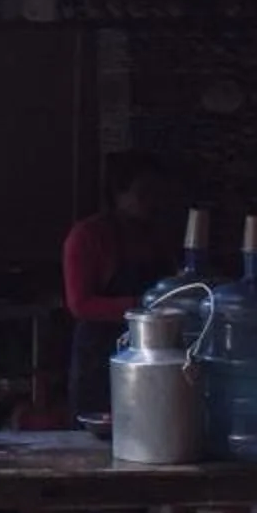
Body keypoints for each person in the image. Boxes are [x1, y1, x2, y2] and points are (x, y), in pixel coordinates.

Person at [61, 150, 181, 423]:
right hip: (99, 358)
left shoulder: (156, 235)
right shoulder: (87, 236)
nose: (153, 202)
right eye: (143, 192)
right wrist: (143, 306)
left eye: (157, 193)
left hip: (153, 352)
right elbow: (80, 304)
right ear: (119, 194)